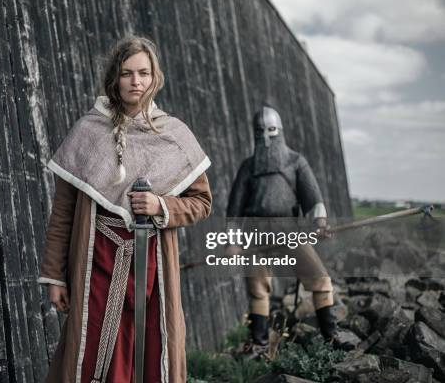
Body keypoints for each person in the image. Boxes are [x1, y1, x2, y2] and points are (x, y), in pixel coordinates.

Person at [37, 36, 212, 383]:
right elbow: (63, 213)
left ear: (155, 77)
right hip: (95, 264)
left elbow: (202, 202)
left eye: (144, 73)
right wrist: (55, 276)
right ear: (114, 78)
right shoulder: (89, 131)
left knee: (151, 353)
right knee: (92, 354)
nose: (136, 82)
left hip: (153, 266)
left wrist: (162, 205)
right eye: (127, 73)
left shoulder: (174, 135)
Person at [226, 104, 353, 356]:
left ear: (279, 131)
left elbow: (313, 200)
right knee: (258, 290)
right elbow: (234, 212)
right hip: (256, 234)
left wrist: (320, 223)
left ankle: (331, 336)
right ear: (255, 133)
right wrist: (232, 241)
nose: (266, 136)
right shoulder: (248, 168)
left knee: (320, 280)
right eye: (261, 131)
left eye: (270, 130)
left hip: (289, 231)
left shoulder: (296, 162)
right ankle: (260, 345)